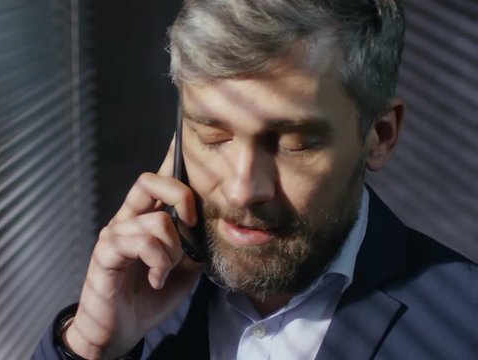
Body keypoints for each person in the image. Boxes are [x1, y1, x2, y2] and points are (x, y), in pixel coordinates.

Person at [33, 0, 477, 359]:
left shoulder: (462, 324)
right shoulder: (136, 305)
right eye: (212, 135)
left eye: (294, 143)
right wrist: (91, 346)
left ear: (379, 136)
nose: (243, 189)